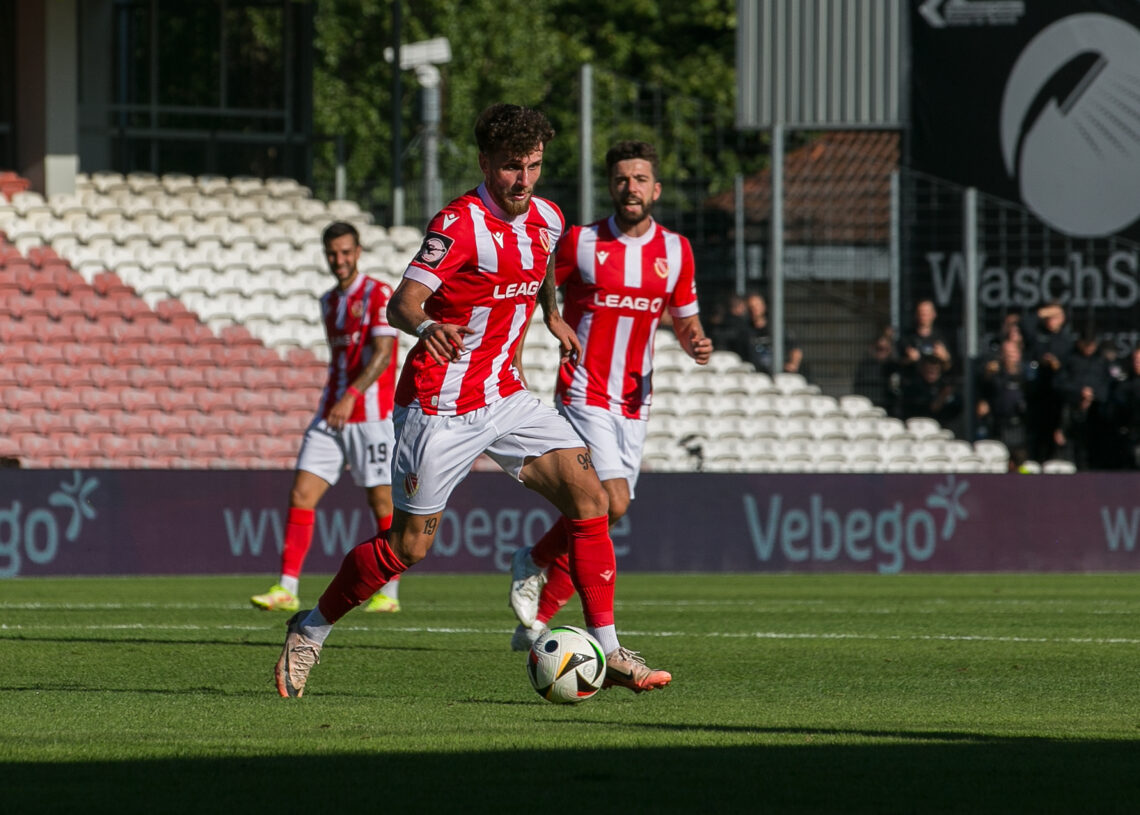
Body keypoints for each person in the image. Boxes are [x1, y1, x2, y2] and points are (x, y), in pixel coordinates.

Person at [273, 103, 672, 698]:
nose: (524, 180)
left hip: (506, 395)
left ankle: (610, 650)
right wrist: (425, 326)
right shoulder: (458, 224)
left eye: (534, 166)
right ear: (486, 163)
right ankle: (311, 630)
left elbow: (538, 270)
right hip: (438, 406)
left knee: (592, 499)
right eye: (512, 167)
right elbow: (403, 303)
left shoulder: (547, 218)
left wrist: (554, 317)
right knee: (409, 546)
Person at [505, 139, 712, 650]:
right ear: (611, 187)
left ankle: (538, 609)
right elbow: (537, 285)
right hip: (583, 391)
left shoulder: (675, 250)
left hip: (633, 401)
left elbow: (685, 320)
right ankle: (537, 570)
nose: (631, 188)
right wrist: (544, 331)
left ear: (656, 189)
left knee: (609, 510)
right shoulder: (580, 242)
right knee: (609, 499)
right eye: (622, 179)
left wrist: (696, 342)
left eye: (640, 179)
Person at [250, 221, 404, 614]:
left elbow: (385, 353)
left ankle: (389, 592)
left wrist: (352, 396)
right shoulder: (327, 301)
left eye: (345, 252)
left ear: (358, 251)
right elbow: (342, 359)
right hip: (331, 412)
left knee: (380, 499)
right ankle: (286, 587)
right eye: (332, 253)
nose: (339, 260)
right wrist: (339, 398)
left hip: (369, 415)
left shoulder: (377, 293)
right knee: (301, 493)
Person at [742, 291, 805, 377]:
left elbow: (795, 348)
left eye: (757, 305)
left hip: (779, 374)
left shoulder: (776, 329)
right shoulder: (744, 331)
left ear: (763, 306)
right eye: (751, 307)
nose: (754, 310)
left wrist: (793, 364)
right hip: (755, 376)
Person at [897, 298, 953, 373]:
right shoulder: (907, 337)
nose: (924, 316)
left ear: (934, 314)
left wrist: (945, 358)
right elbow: (897, 365)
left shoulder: (942, 337)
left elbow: (950, 368)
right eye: (921, 313)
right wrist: (909, 360)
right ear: (916, 315)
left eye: (927, 313)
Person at [852, 328, 900, 415]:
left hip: (890, 409)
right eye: (879, 349)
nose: (881, 353)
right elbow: (859, 389)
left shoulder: (894, 366)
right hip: (869, 408)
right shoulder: (865, 367)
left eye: (885, 349)